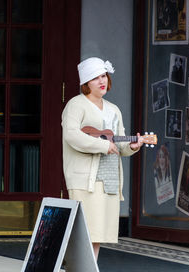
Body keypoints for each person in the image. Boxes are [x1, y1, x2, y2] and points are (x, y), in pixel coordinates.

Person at [61, 57, 144, 260]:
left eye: (104, 76)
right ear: (86, 83)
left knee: (97, 233)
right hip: (86, 179)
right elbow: (72, 135)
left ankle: (89, 267)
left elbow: (119, 145)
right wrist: (102, 145)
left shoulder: (114, 109)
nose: (102, 81)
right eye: (96, 77)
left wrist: (131, 147)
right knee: (86, 230)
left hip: (109, 179)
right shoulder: (76, 104)